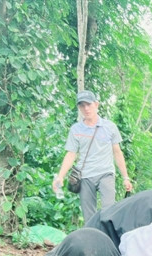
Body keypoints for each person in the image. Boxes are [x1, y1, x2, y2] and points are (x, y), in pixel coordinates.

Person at [53, 90, 133, 223]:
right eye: (82, 105)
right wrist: (60, 176)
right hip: (85, 176)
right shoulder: (76, 129)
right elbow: (71, 154)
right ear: (79, 108)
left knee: (109, 212)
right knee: (89, 217)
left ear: (96, 105)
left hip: (105, 173)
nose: (86, 108)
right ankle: (91, 242)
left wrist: (125, 177)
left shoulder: (110, 127)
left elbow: (117, 152)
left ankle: (109, 241)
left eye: (88, 104)